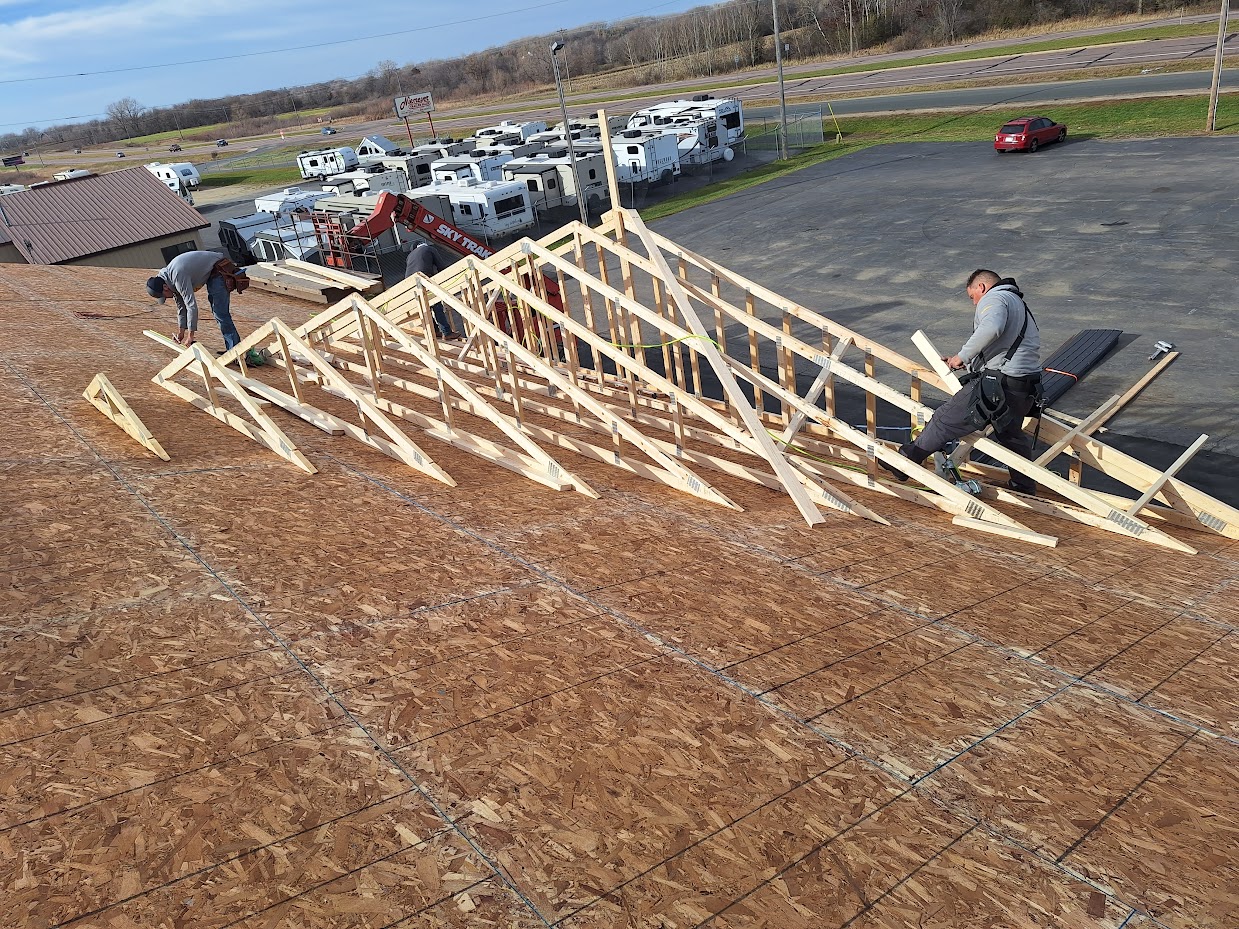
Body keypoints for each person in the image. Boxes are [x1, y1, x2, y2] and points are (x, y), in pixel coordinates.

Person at [884, 269, 1042, 494]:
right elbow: (1003, 345)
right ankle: (1024, 486)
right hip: (1024, 386)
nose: (974, 303)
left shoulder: (995, 298)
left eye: (972, 297)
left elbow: (992, 328)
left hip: (1000, 385)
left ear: (982, 287)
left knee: (944, 419)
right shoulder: (1016, 302)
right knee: (1012, 436)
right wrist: (966, 364)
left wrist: (962, 355)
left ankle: (906, 462)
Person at [146, 251, 249, 353]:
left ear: (165, 287)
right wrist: (181, 332)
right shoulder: (166, 280)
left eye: (164, 296)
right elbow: (181, 308)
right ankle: (232, 348)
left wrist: (190, 336)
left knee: (220, 312)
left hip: (218, 270)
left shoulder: (177, 276)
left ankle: (235, 351)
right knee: (218, 312)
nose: (167, 298)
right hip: (212, 272)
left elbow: (191, 306)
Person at [403, 242, 459, 339]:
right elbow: (441, 266)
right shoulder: (429, 249)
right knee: (436, 306)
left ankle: (435, 331)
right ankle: (447, 333)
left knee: (425, 307)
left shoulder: (410, 255)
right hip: (423, 280)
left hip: (409, 284)